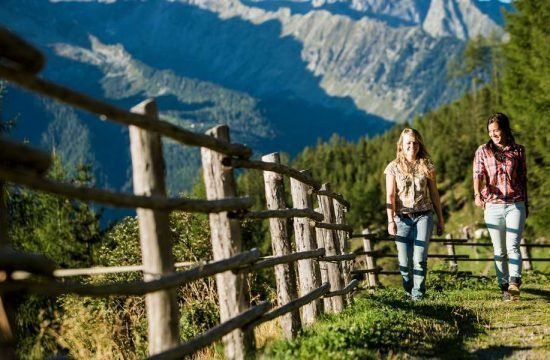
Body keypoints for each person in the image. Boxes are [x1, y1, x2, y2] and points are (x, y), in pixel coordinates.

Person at [473, 113, 528, 301]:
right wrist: (477, 194)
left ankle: (514, 283)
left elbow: (523, 179)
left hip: (515, 203)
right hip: (493, 205)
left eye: (496, 130)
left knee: (513, 246)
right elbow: (478, 174)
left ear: (505, 129)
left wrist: (525, 204)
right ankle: (504, 288)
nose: (494, 134)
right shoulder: (483, 151)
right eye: (490, 131)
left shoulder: (518, 151)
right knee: (499, 249)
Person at [385, 128, 444, 300]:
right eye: (408, 143)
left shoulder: (427, 166)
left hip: (424, 216)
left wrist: (440, 219)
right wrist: (390, 221)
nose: (412, 146)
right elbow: (389, 195)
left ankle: (418, 295)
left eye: (415, 142)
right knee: (404, 262)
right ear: (401, 146)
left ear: (420, 144)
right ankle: (408, 289)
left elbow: (434, 194)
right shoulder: (392, 168)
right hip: (401, 218)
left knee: (419, 257)